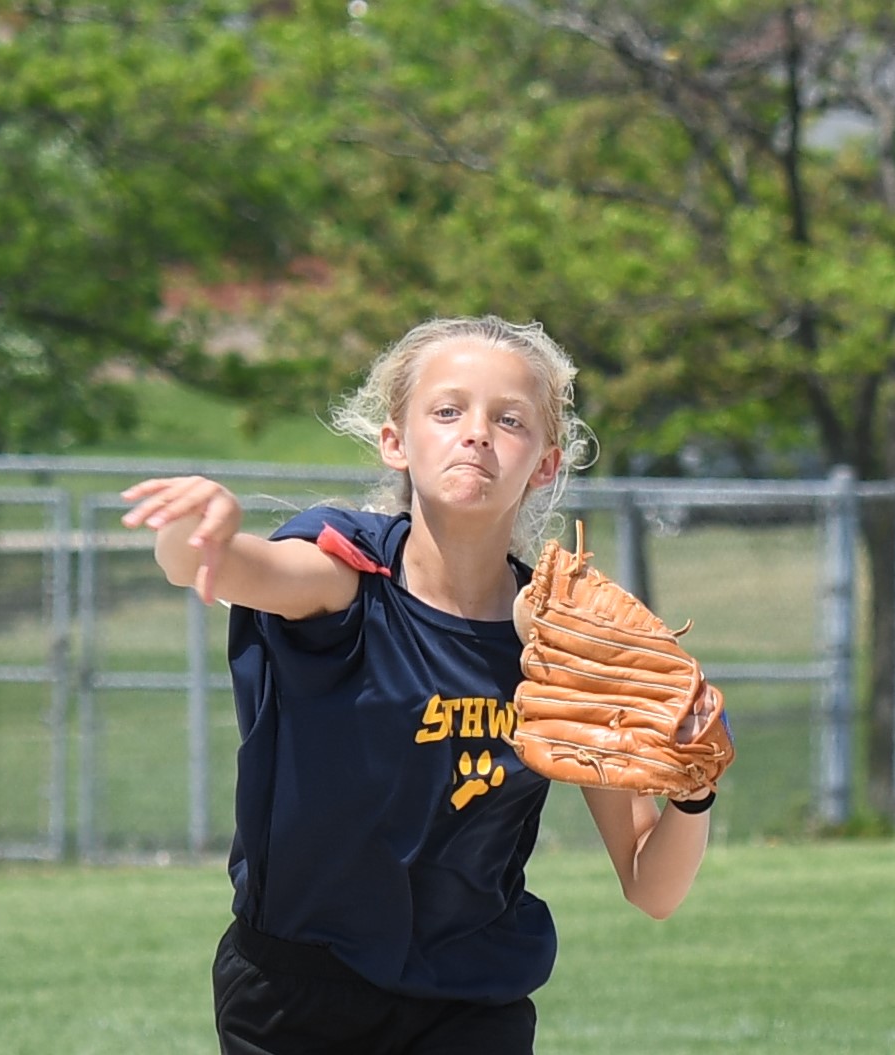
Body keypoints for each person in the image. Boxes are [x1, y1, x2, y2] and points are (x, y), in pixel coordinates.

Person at [119, 316, 716, 1055]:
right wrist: (193, 529)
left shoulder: (561, 640)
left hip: (471, 1000)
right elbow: (217, 567)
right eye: (446, 410)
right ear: (395, 441)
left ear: (543, 463)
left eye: (508, 419)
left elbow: (650, 888)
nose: (476, 434)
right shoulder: (344, 576)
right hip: (298, 994)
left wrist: (691, 788)